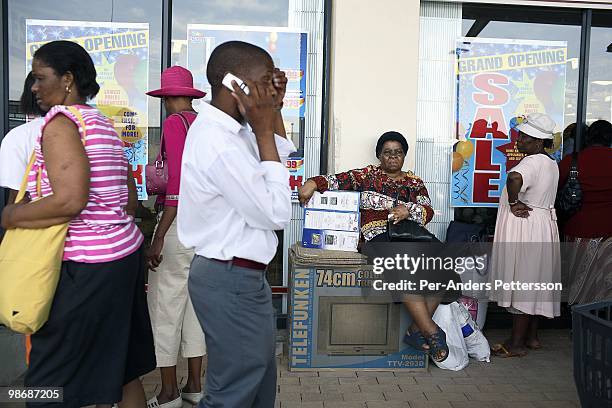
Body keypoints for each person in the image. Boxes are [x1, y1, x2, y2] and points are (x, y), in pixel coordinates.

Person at [0, 40, 155, 407]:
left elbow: (70, 200)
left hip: (85, 269)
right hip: (122, 256)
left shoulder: (60, 124)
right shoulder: (102, 123)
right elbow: (130, 201)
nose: (34, 87)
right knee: (121, 371)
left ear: (67, 79)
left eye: (40, 78)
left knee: (45, 382)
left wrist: (11, 215)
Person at [178, 41, 296, 408]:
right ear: (236, 86)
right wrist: (262, 130)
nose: (269, 89)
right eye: (263, 82)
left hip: (242, 279)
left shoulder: (234, 130)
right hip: (228, 279)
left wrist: (272, 109)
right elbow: (276, 212)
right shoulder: (218, 142)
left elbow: (280, 149)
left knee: (258, 381)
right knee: (233, 391)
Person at [298, 132, 450, 363]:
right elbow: (334, 180)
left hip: (411, 234)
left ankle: (415, 330)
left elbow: (427, 211)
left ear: (404, 156)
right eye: (387, 152)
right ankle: (431, 331)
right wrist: (311, 183)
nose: (392, 157)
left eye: (398, 153)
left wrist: (408, 211)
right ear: (379, 155)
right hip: (377, 236)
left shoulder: (414, 182)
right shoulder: (365, 176)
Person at [145, 66, 206, 408]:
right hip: (205, 228)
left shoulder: (173, 123)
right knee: (196, 305)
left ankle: (169, 391)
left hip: (178, 224)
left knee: (166, 307)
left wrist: (159, 236)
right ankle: (195, 385)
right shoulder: (205, 124)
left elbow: (177, 186)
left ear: (168, 97)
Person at [489, 112, 561, 358]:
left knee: (522, 279)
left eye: (525, 137)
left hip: (526, 226)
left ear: (539, 142)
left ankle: (516, 344)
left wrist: (513, 201)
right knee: (535, 277)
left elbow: (514, 177)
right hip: (542, 224)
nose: (519, 140)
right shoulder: (551, 163)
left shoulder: (530, 162)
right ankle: (531, 337)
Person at [559, 119, 612, 304]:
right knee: (607, 284)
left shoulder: (572, 161)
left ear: (588, 138)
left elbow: (553, 188)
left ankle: (580, 323)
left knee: (580, 283)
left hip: (579, 231)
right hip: (610, 232)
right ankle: (603, 321)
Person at [0, 72, 48, 204]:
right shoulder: (93, 127)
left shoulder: (19, 137)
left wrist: (9, 218)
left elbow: (18, 196)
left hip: (40, 220)